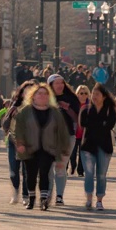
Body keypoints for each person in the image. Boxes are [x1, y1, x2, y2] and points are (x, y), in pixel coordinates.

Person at [11, 83, 70, 210]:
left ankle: (44, 200)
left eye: (45, 93)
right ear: (33, 96)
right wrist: (19, 143)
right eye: (39, 93)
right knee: (30, 175)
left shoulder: (55, 112)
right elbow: (17, 129)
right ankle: (31, 199)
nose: (42, 96)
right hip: (29, 147)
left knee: (44, 172)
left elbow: (62, 132)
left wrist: (64, 149)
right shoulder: (24, 111)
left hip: (48, 148)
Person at [79, 83, 116, 211]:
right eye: (93, 94)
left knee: (101, 174)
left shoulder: (110, 110)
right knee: (89, 174)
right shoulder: (86, 109)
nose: (94, 96)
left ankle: (99, 199)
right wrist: (101, 123)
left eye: (97, 94)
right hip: (88, 147)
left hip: (104, 146)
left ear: (104, 97)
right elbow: (83, 122)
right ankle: (89, 198)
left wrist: (97, 124)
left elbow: (109, 125)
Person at [1, 81, 35, 205]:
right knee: (13, 170)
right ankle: (15, 190)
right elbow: (4, 124)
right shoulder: (15, 106)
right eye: (26, 91)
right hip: (13, 141)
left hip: (28, 143)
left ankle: (25, 195)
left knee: (26, 170)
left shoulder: (37, 107)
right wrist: (10, 115)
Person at [47, 74, 78, 206]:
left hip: (67, 137)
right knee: (47, 167)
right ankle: (47, 194)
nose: (60, 85)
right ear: (51, 85)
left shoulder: (71, 98)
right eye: (56, 83)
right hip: (47, 138)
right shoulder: (45, 97)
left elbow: (78, 119)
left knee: (60, 166)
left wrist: (67, 108)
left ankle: (59, 196)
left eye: (62, 82)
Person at [71, 85, 90, 177]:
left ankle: (80, 171)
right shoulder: (73, 104)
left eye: (85, 93)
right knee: (72, 153)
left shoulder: (90, 106)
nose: (83, 95)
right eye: (81, 93)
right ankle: (73, 166)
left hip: (84, 134)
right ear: (77, 94)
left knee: (83, 154)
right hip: (74, 133)